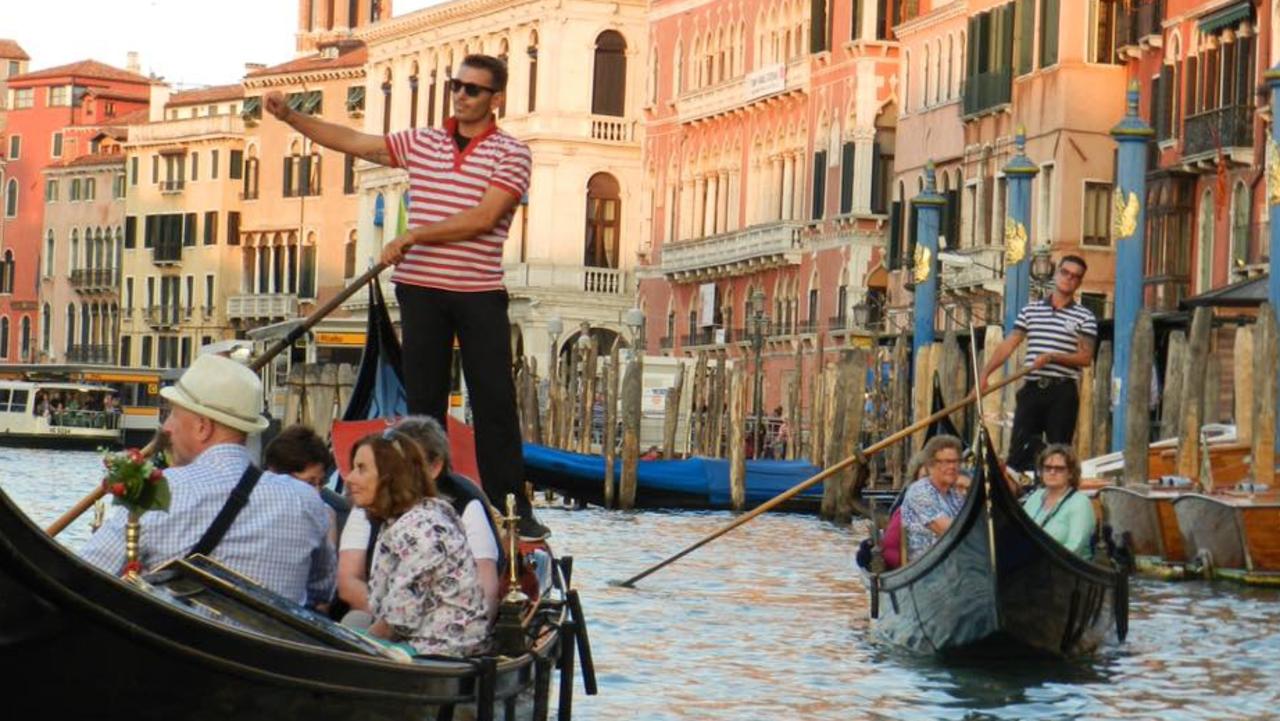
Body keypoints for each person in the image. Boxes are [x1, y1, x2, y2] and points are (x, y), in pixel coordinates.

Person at [264, 55, 547, 541]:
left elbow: (484, 217)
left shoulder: (512, 153)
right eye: (457, 86)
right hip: (421, 291)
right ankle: (422, 501)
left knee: (495, 403)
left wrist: (416, 235)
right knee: (423, 407)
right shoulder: (424, 142)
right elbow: (354, 141)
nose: (461, 95)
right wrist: (292, 118)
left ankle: (511, 508)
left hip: (477, 292)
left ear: (495, 98)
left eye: (473, 89)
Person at [80, 355, 336, 608]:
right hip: (273, 646)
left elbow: (86, 578)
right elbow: (321, 590)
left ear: (203, 427)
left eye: (172, 415)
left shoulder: (158, 490)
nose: (166, 427)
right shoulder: (306, 501)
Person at [339, 416, 503, 623]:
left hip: (446, 626)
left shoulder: (463, 506)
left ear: (435, 467)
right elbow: (348, 581)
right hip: (384, 618)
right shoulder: (368, 501)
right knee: (355, 621)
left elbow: (485, 589)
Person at [980, 255, 1097, 473]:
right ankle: (1019, 494)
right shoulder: (1031, 310)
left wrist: (1053, 357)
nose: (1068, 279)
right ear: (1056, 273)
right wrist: (985, 373)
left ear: (1079, 283)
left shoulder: (1085, 317)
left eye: (1075, 276)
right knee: (1020, 449)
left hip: (1062, 391)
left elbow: (1085, 358)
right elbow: (1010, 343)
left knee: (1058, 451)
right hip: (1033, 388)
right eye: (1065, 272)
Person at [264, 424, 351, 545]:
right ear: (277, 477)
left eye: (321, 484)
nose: (316, 492)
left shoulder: (329, 516)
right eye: (308, 484)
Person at [899, 435, 966, 563]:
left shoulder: (955, 495)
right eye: (946, 462)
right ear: (930, 465)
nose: (952, 467)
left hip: (954, 562)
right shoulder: (919, 491)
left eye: (956, 461)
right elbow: (947, 530)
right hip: (925, 566)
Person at [1022, 444, 1095, 559]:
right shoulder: (1035, 496)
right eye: (1047, 468)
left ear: (1071, 473)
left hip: (1066, 569)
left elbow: (1075, 547)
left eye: (1059, 469)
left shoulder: (1080, 502)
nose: (1052, 472)